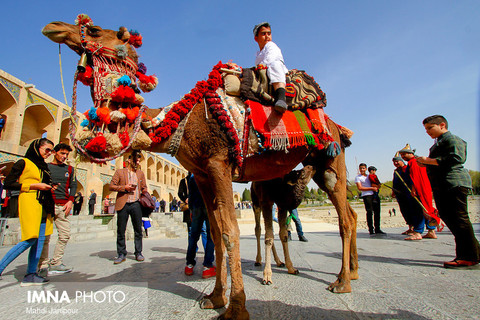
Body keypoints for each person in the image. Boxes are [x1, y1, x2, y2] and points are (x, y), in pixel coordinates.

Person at [417, 115, 480, 269]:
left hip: (454, 183)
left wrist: (428, 160)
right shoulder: (439, 143)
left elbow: (456, 158)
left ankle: (468, 257)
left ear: (442, 125)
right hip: (443, 185)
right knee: (450, 218)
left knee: (459, 219)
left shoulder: (452, 139)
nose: (428, 132)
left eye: (430, 128)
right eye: (426, 129)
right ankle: (474, 252)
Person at [0, 138, 55, 286]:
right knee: (30, 238)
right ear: (37, 147)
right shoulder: (24, 163)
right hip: (30, 202)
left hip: (44, 205)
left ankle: (31, 274)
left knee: (39, 241)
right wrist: (33, 186)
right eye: (47, 150)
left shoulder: (44, 166)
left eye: (51, 151)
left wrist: (49, 187)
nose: (49, 153)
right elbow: (8, 184)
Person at [38, 143, 76, 276]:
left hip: (63, 205)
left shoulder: (70, 169)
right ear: (55, 153)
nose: (65, 157)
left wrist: (70, 200)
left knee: (65, 235)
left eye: (66, 154)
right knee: (46, 237)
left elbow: (74, 185)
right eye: (62, 153)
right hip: (49, 205)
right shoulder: (46, 167)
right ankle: (43, 264)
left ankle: (56, 262)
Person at [109, 151, 148, 264]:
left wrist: (145, 195)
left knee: (138, 230)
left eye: (139, 161)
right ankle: (121, 253)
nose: (138, 162)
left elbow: (144, 187)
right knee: (121, 230)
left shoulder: (140, 173)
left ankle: (138, 252)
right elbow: (111, 186)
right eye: (136, 160)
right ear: (129, 160)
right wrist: (124, 188)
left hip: (136, 203)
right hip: (123, 203)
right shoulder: (120, 172)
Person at [398, 144, 437, 240]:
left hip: (419, 189)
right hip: (424, 189)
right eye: (401, 155)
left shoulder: (414, 162)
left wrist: (414, 189)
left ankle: (418, 232)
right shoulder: (417, 161)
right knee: (426, 208)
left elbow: (415, 178)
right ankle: (431, 231)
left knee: (418, 210)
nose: (403, 157)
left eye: (404, 155)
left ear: (410, 154)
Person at [184, 173, 216, 278]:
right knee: (211, 236)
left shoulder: (193, 175)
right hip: (208, 207)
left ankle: (189, 266)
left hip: (196, 208)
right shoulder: (210, 173)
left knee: (193, 237)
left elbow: (191, 196)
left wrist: (192, 210)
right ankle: (207, 267)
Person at [253, 22, 289, 113]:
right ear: (256, 38)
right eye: (263, 34)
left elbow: (270, 59)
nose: (267, 36)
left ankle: (281, 98)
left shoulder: (271, 45)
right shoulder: (258, 55)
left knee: (275, 64)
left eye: (269, 33)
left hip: (276, 70)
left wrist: (260, 68)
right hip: (264, 73)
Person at [355, 163, 385, 235]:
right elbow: (360, 188)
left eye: (363, 168)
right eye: (361, 168)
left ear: (366, 169)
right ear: (359, 169)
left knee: (377, 212)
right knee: (369, 212)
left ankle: (377, 228)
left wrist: (378, 186)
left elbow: (376, 184)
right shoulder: (358, 177)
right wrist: (371, 188)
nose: (362, 169)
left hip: (374, 195)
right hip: (366, 195)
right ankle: (371, 229)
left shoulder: (369, 176)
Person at [391, 153, 414, 235]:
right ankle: (410, 227)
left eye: (397, 161)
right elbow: (394, 182)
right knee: (404, 211)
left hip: (408, 193)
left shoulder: (407, 168)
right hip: (399, 194)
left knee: (411, 210)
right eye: (394, 162)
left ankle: (415, 228)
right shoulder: (396, 172)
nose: (395, 163)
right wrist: (393, 191)